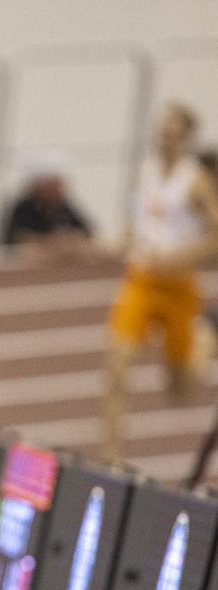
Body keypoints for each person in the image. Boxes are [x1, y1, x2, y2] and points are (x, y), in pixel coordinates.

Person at [103, 104, 218, 462]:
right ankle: (113, 461)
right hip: (140, 280)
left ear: (186, 138)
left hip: (178, 286)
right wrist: (113, 242)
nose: (165, 137)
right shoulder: (145, 173)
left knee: (180, 387)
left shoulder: (195, 180)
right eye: (162, 129)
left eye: (172, 131)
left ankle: (205, 342)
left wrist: (179, 257)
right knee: (117, 366)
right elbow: (137, 226)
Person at [0, 149, 94, 259]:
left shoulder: (63, 207)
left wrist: (69, 241)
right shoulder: (23, 208)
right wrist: (53, 243)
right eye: (53, 185)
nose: (58, 190)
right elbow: (19, 238)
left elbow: (85, 232)